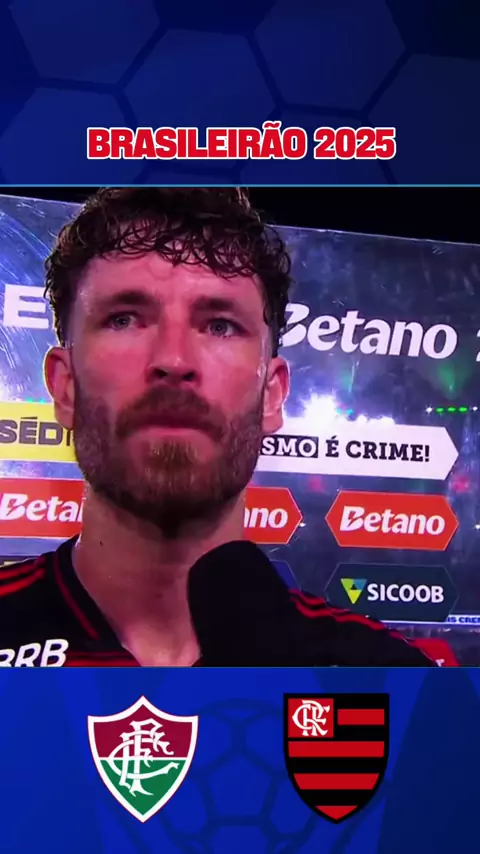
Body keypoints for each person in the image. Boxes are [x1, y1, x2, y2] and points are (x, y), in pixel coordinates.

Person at [0, 187, 434, 668]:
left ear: (272, 395)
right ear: (65, 387)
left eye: (220, 325)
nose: (174, 360)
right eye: (124, 319)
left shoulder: (386, 676)